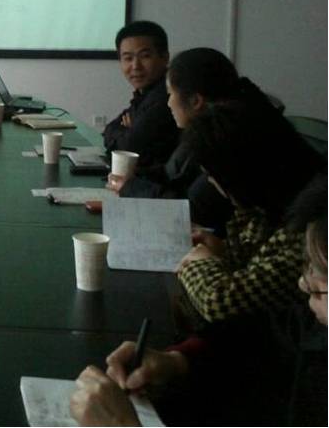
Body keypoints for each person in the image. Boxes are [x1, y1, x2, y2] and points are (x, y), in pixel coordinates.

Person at [69, 177, 328, 427]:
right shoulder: (314, 322)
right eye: (307, 266)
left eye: (321, 277)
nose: (303, 284)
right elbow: (267, 340)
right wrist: (178, 361)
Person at [175, 98, 324, 325]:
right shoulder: (269, 204)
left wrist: (198, 263)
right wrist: (221, 250)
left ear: (240, 176)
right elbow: (253, 260)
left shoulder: (311, 227)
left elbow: (218, 301)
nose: (211, 183)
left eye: (212, 176)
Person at [107, 48, 249, 234]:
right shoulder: (200, 134)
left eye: (170, 95)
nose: (168, 103)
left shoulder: (225, 146)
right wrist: (134, 178)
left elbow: (190, 210)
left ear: (196, 101)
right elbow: (173, 174)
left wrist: (131, 187)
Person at [102, 21, 178, 170]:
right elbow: (109, 130)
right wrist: (127, 132)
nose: (135, 66)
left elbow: (128, 148)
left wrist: (128, 133)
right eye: (128, 58)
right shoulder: (144, 94)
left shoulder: (167, 97)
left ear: (165, 57)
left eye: (145, 56)